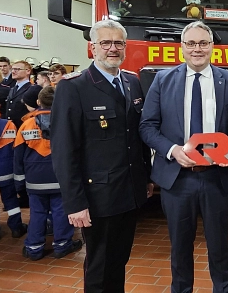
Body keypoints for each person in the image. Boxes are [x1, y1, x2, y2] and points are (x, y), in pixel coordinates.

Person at [139, 21, 228, 293]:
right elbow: (147, 126)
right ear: (182, 48)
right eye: (191, 43)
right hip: (178, 179)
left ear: (212, 47)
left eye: (203, 43)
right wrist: (173, 150)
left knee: (220, 245)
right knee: (180, 245)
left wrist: (226, 148)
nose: (197, 49)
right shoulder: (163, 81)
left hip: (217, 177)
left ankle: (223, 289)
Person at [50, 20, 152, 292]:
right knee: (98, 266)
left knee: (119, 261)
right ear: (92, 47)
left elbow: (136, 135)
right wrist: (74, 203)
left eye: (118, 43)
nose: (112, 49)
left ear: (125, 47)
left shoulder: (131, 81)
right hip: (98, 199)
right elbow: (63, 151)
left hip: (129, 193)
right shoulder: (73, 87)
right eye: (105, 43)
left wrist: (146, 178)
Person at [14, 87, 83, 260]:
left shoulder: (26, 124)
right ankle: (62, 245)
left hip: (34, 179)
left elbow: (18, 156)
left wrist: (19, 183)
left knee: (37, 213)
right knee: (61, 211)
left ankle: (34, 248)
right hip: (61, 177)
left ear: (38, 102)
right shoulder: (66, 121)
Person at [0, 94, 27, 243]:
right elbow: (15, 148)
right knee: (11, 201)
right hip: (6, 171)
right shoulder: (9, 125)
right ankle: (16, 228)